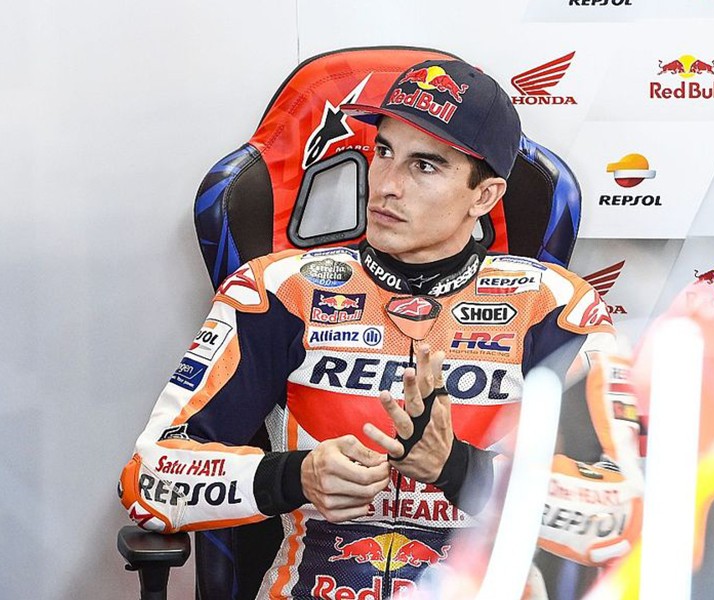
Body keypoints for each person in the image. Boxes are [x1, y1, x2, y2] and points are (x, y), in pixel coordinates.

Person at [119, 57, 643, 600]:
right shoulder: (279, 290)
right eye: (385, 152)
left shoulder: (554, 307)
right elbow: (147, 481)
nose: (386, 185)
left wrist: (461, 470)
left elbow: (627, 519)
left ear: (484, 197)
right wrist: (295, 477)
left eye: (425, 166)